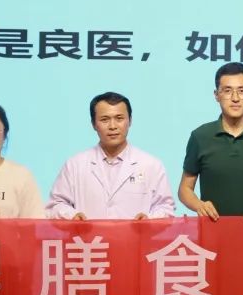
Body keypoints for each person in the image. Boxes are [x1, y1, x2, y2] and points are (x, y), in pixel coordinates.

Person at [178, 62, 243, 220]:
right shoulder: (200, 136)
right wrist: (199, 205)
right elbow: (184, 189)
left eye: (242, 91)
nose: (235, 98)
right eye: (227, 91)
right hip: (211, 229)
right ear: (216, 95)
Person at [47, 91, 174, 220]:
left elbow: (166, 207)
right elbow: (55, 205)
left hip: (136, 234)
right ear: (93, 124)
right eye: (104, 119)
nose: (112, 126)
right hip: (90, 234)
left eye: (119, 118)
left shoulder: (151, 165)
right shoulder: (75, 165)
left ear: (130, 121)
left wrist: (149, 219)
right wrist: (72, 215)